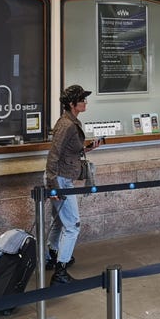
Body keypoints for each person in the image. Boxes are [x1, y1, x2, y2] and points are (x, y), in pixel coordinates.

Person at [44, 84, 102, 285]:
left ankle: (52, 255)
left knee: (60, 221)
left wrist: (88, 148)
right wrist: (52, 186)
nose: (85, 102)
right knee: (73, 225)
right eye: (82, 99)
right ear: (71, 103)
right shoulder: (66, 125)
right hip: (60, 179)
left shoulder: (71, 122)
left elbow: (70, 151)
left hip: (61, 177)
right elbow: (53, 155)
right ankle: (60, 270)